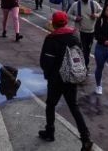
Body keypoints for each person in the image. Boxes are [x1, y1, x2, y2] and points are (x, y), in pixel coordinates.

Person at [38, 11, 93, 150]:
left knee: (50, 104)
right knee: (74, 107)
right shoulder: (75, 36)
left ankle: (50, 131)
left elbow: (46, 61)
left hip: (56, 79)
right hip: (71, 77)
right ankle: (85, 137)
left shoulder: (51, 38)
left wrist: (47, 74)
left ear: (54, 23)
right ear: (66, 22)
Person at [67, 0, 101, 70]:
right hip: (80, 32)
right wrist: (75, 18)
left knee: (87, 50)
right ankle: (82, 65)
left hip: (91, 32)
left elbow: (101, 11)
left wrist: (96, 15)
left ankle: (85, 64)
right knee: (81, 49)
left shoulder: (94, 4)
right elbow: (68, 14)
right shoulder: (75, 5)